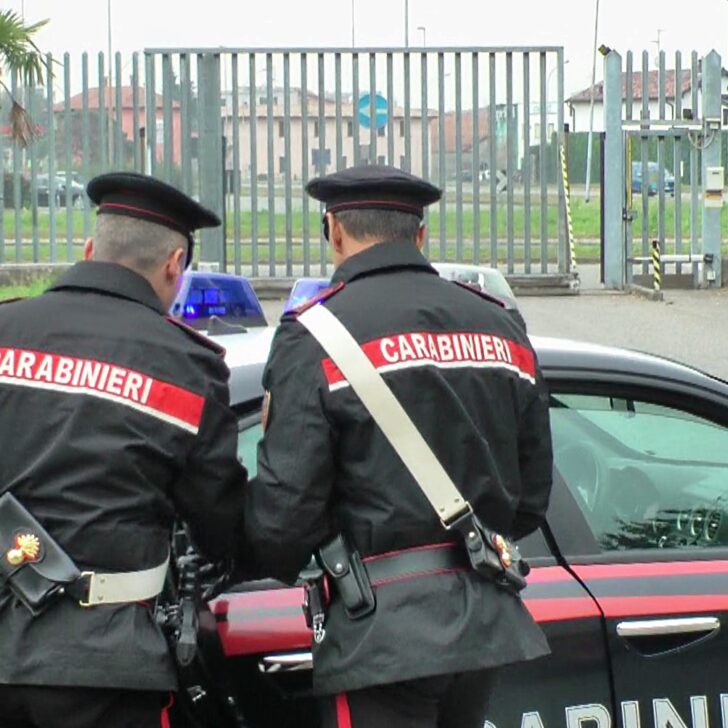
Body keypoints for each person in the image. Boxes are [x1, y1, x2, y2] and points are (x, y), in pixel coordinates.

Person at [245, 164, 554, 728]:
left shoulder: (314, 336)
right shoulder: (502, 325)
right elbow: (532, 499)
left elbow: (283, 521)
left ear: (333, 230)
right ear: (421, 235)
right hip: (482, 621)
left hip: (377, 635)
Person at [0, 172, 247, 728]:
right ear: (174, 264)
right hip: (103, 664)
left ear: (89, 249)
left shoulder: (5, 327)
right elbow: (216, 521)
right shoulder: (186, 365)